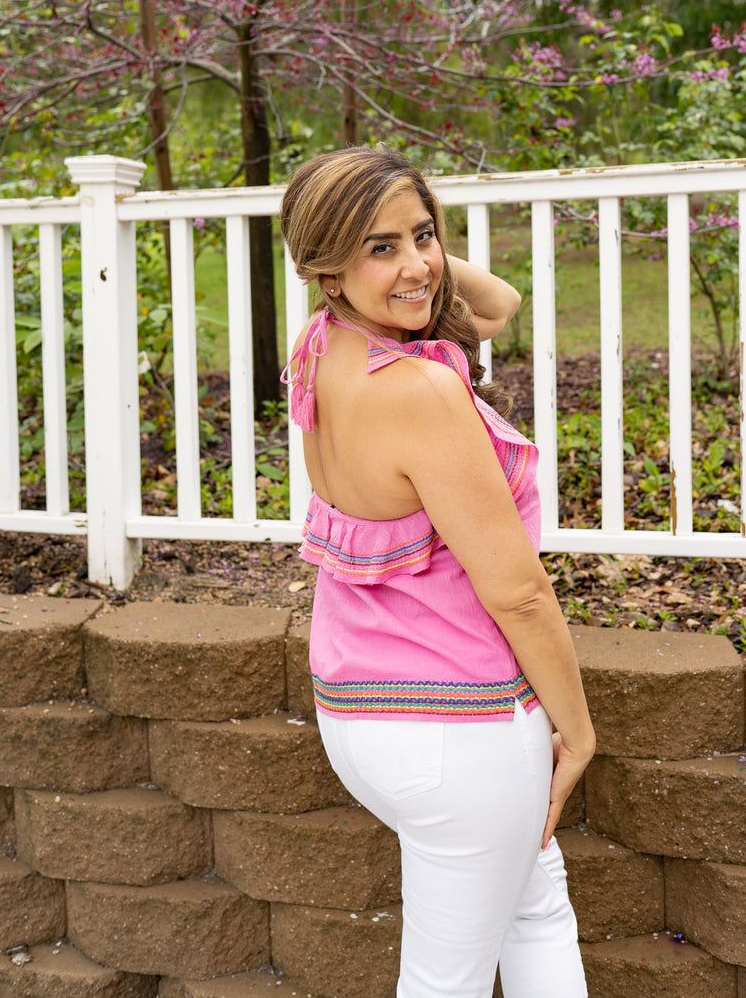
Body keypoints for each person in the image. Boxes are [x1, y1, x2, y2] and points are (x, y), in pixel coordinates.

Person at [280, 146, 595, 998]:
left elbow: (499, 305)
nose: (417, 262)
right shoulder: (416, 392)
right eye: (378, 247)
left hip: (360, 711)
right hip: (456, 727)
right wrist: (578, 728)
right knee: (445, 979)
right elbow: (519, 592)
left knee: (536, 910)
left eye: (423, 235)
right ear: (325, 265)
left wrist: (405, 262)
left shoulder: (323, 343)